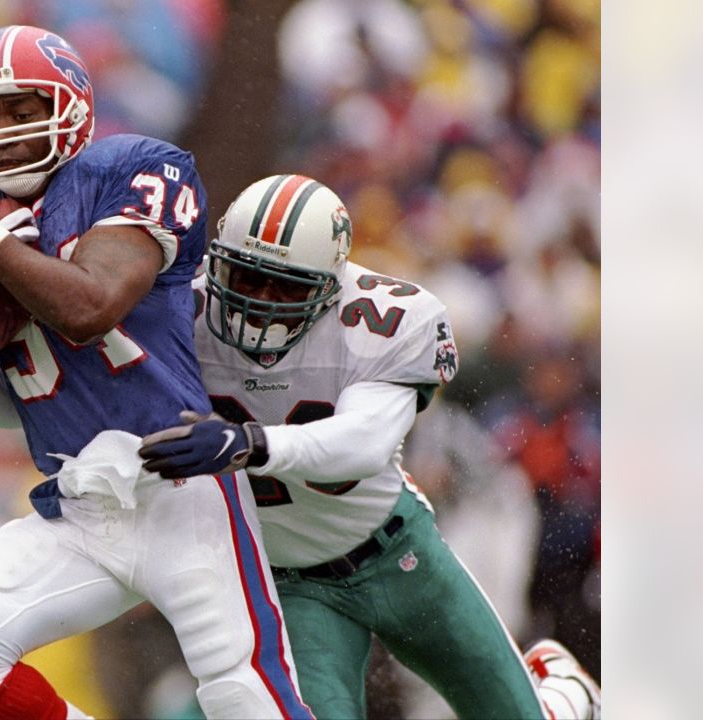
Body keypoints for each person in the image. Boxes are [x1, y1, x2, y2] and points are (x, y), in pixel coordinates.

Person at [0, 25, 310, 720]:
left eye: (23, 109)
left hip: (180, 486)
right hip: (78, 504)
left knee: (246, 695)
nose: (4, 131)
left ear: (72, 103)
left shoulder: (128, 168)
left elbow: (89, 307)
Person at [136, 175, 601, 719]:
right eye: (245, 276)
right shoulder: (180, 317)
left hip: (396, 555)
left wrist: (248, 443)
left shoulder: (383, 323)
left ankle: (561, 694)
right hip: (292, 582)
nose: (258, 302)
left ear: (330, 286)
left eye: (285, 288)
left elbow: (363, 444)